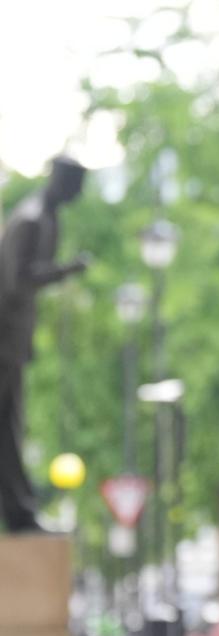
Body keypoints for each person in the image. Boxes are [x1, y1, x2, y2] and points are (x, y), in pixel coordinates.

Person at [0, 155, 89, 534]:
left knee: (9, 429)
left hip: (12, 342)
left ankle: (20, 513)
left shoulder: (45, 218)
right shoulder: (32, 219)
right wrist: (64, 270)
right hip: (3, 342)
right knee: (7, 428)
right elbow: (14, 281)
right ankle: (20, 512)